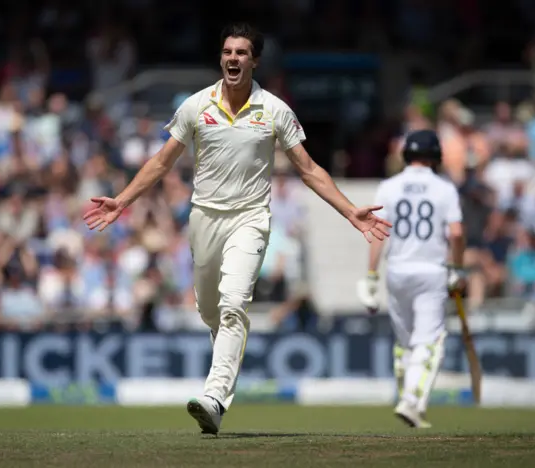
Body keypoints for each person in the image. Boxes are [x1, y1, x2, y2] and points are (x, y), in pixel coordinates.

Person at [83, 23, 392, 435]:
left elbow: (309, 169)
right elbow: (161, 162)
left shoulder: (275, 109)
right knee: (210, 310)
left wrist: (350, 211)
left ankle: (214, 399)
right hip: (204, 219)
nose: (233, 58)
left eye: (242, 53)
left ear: (255, 60)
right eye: (227, 51)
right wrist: (122, 200)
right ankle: (221, 367)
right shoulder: (196, 105)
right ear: (221, 58)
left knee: (233, 305)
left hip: (250, 218)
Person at [357, 129, 465, 429]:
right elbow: (455, 232)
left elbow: (378, 232)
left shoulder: (389, 186)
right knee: (430, 341)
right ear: (436, 156)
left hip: (397, 271)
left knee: (405, 342)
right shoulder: (444, 189)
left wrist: (371, 275)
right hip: (430, 271)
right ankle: (412, 401)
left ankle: (407, 397)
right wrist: (458, 269)